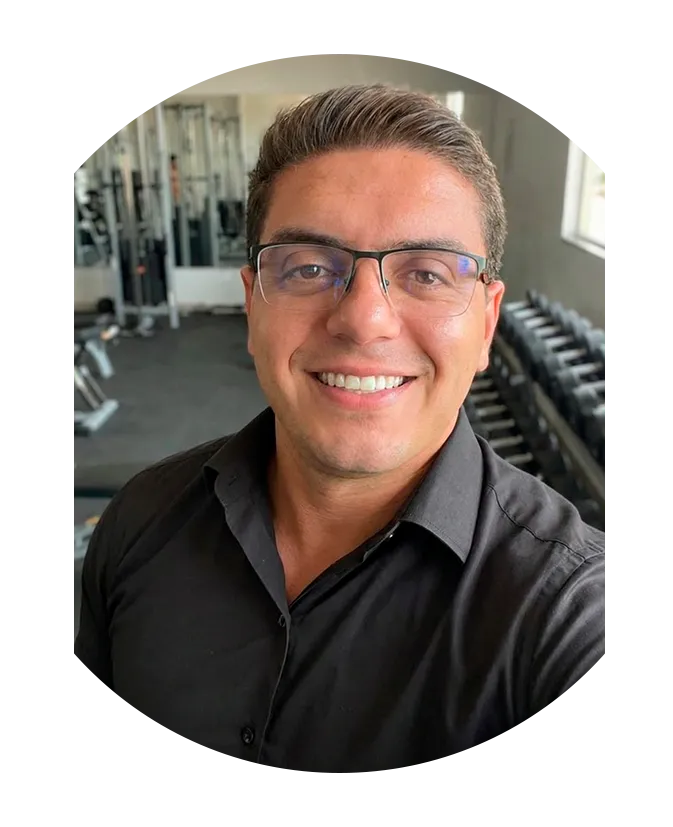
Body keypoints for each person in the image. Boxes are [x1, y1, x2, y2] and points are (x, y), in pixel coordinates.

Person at [74, 84, 607, 774]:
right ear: (252, 306)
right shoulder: (139, 522)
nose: (363, 319)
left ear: (485, 323)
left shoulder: (571, 616)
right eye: (307, 267)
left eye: (426, 273)